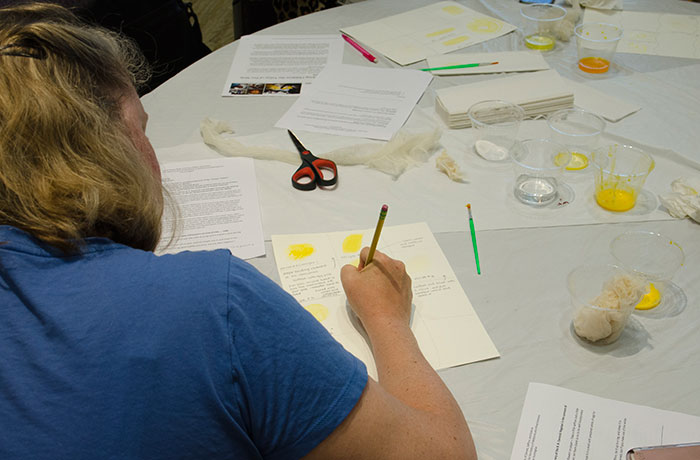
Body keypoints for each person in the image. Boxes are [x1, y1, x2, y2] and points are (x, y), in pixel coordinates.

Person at [0, 4, 477, 459]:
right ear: (105, 143)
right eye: (140, 126)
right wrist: (387, 319)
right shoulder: (208, 305)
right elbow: (444, 453)